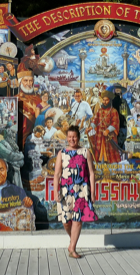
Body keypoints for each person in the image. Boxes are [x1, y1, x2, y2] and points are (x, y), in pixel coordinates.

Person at [52, 126, 97, 258]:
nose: (72, 139)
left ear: (78, 137)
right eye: (70, 137)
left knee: (77, 220)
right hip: (66, 191)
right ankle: (72, 241)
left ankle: (72, 248)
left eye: (74, 136)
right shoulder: (62, 153)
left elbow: (92, 173)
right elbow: (57, 174)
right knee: (66, 222)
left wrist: (93, 192)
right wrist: (55, 192)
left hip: (82, 191)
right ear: (67, 138)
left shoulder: (85, 152)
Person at [89, 95, 121, 163]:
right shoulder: (99, 110)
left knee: (110, 153)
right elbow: (95, 120)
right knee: (98, 151)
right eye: (103, 100)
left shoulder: (113, 111)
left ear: (109, 101)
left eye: (106, 100)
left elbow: (115, 122)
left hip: (109, 135)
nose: (104, 102)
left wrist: (108, 130)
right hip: (99, 135)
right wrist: (91, 127)